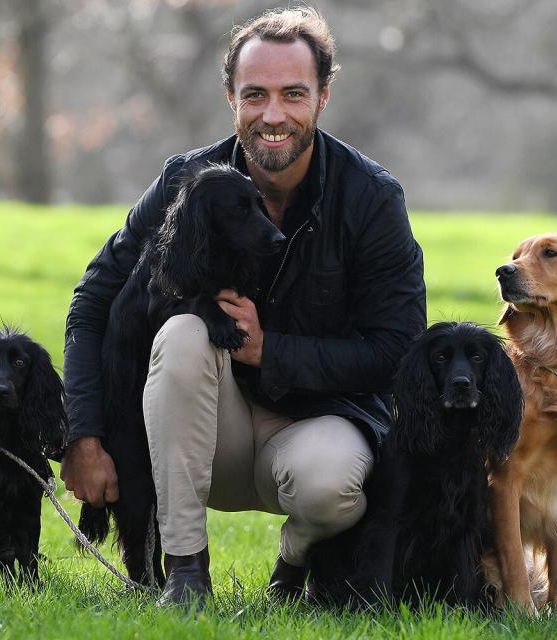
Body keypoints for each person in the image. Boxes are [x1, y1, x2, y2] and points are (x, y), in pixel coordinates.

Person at [61, 7, 426, 607]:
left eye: (293, 94)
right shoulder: (186, 181)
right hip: (206, 431)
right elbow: (92, 302)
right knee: (183, 333)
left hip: (318, 422)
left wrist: (269, 349)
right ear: (230, 97)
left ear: (323, 97)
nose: (273, 115)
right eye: (254, 95)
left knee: (329, 484)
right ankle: (183, 570)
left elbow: (399, 352)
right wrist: (84, 435)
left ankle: (294, 561)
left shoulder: (372, 199)